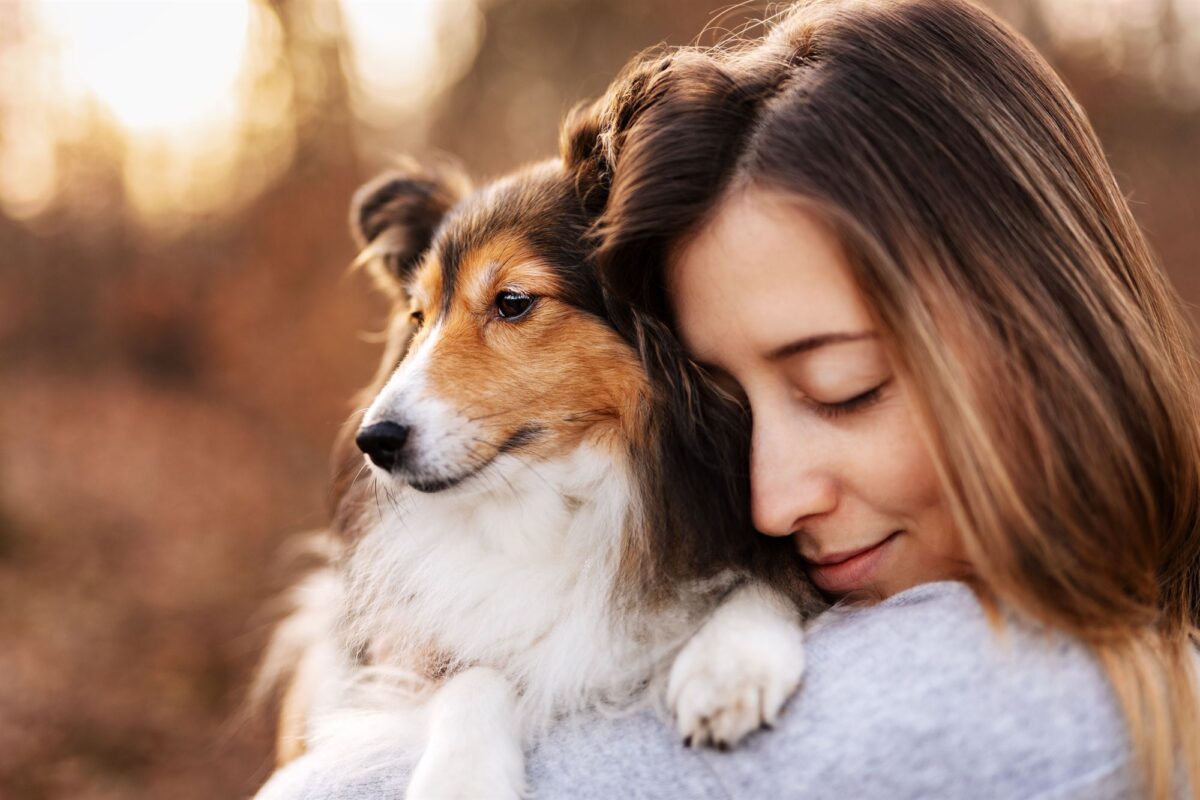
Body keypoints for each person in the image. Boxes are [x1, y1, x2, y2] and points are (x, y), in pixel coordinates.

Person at [259, 0, 1199, 796]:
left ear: (1039, 341)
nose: (765, 501)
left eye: (844, 389)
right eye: (726, 407)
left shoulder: (1049, 705)